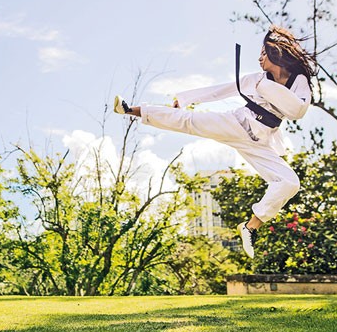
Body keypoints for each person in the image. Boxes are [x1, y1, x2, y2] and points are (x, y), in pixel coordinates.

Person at [113, 25, 317, 258]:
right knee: (189, 121)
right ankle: (132, 109)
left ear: (274, 54)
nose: (259, 59)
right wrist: (186, 98)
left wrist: (265, 87)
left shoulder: (297, 81)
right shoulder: (256, 79)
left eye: (263, 54)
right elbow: (220, 91)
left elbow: (298, 110)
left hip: (261, 140)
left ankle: (250, 227)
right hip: (238, 125)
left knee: (290, 182)